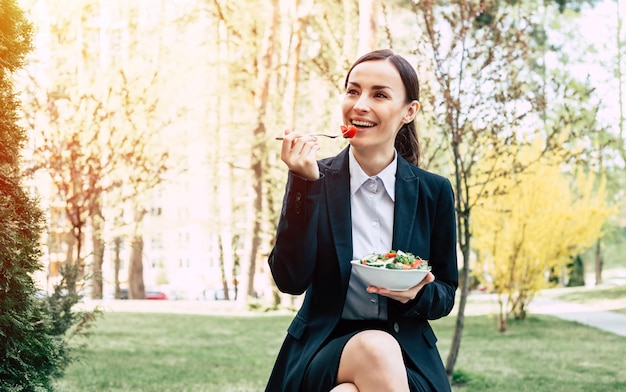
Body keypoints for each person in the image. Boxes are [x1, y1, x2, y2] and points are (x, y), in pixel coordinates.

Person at [265, 49, 458, 392]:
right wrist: (304, 184)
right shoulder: (314, 178)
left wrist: (415, 293)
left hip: (408, 355)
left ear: (408, 111)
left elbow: (444, 294)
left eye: (379, 95)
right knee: (374, 346)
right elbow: (290, 280)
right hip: (322, 348)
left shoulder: (434, 191)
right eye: (353, 91)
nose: (360, 105)